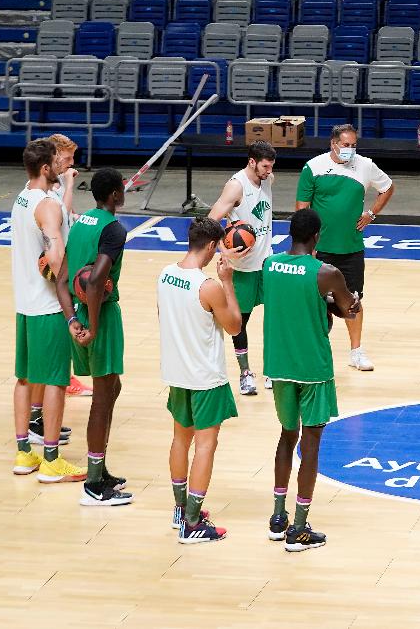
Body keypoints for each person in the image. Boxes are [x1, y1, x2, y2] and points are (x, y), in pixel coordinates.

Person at [264, 208, 358, 552]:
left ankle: (278, 518)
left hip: (278, 364)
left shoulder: (270, 265)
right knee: (311, 444)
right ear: (317, 236)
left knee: (286, 437)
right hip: (313, 369)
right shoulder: (327, 273)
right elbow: (349, 309)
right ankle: (299, 528)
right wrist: (346, 303)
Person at [159, 217, 242, 544]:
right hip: (205, 377)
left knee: (181, 439)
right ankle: (193, 523)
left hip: (176, 372)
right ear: (210, 246)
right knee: (206, 445)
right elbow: (235, 326)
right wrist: (228, 282)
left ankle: (180, 510)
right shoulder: (207, 286)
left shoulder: (165, 274)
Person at [55, 167, 133, 506]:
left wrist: (72, 318)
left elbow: (61, 280)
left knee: (112, 388)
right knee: (103, 397)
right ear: (115, 194)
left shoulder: (81, 222)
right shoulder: (114, 229)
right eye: (122, 188)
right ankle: (93, 484)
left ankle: (100, 469)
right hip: (101, 313)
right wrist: (95, 326)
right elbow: (96, 279)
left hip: (78, 313)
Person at [11, 139, 86, 483]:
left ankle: (24, 453)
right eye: (57, 161)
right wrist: (76, 287)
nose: (63, 164)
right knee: (55, 382)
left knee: (25, 378)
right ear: (45, 168)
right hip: (48, 307)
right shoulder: (47, 205)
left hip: (24, 304)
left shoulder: (22, 196)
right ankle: (52, 459)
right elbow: (55, 261)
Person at [296, 124, 394, 372]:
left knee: (353, 301)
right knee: (313, 304)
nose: (350, 149)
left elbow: (387, 187)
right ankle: (311, 353)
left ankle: (356, 352)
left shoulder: (365, 165)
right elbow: (302, 209)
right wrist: (307, 246)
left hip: (351, 248)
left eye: (353, 145)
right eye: (345, 145)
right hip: (320, 250)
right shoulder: (313, 167)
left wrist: (371, 213)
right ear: (333, 144)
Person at [210, 140, 277, 394]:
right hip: (242, 269)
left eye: (271, 167)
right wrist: (222, 249)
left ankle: (273, 369)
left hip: (267, 264)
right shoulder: (235, 187)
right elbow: (211, 220)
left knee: (276, 319)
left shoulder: (267, 178)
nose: (269, 171)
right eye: (265, 166)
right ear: (251, 162)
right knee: (240, 323)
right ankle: (245, 373)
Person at [47, 133, 90, 397]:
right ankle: (61, 377)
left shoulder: (57, 182)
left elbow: (66, 214)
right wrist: (70, 186)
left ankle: (64, 375)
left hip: (63, 251)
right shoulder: (53, 184)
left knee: (66, 312)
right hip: (54, 258)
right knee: (63, 315)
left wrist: (75, 217)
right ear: (54, 157)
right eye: (68, 158)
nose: (73, 162)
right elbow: (59, 215)